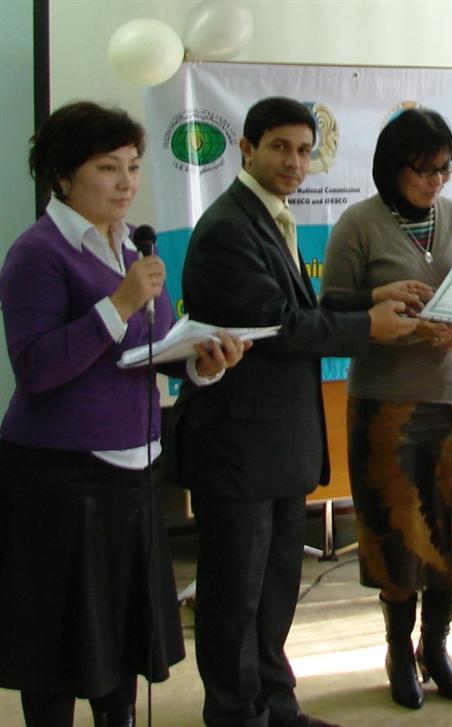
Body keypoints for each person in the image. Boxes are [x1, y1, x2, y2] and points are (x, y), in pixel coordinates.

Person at [172, 96, 418, 727]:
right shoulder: (228, 227)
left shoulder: (268, 215)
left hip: (276, 444)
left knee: (275, 587)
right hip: (239, 446)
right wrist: (367, 324)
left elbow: (294, 308)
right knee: (236, 597)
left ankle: (276, 705)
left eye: (305, 151)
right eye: (280, 147)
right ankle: (236, 714)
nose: (294, 162)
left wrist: (369, 297)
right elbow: (275, 327)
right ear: (247, 149)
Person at [0, 101, 247, 727]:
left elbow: (153, 350)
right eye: (108, 168)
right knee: (57, 649)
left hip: (135, 472)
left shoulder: (130, 245)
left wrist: (202, 364)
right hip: (60, 478)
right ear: (63, 176)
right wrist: (118, 304)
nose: (126, 182)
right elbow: (36, 368)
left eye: (133, 166)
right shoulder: (37, 253)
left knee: (122, 639)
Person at [320, 108, 452, 710]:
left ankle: (435, 648)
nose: (437, 181)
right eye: (424, 170)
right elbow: (332, 313)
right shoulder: (359, 225)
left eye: (445, 168)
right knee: (396, 535)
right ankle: (398, 651)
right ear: (393, 169)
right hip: (386, 402)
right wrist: (383, 312)